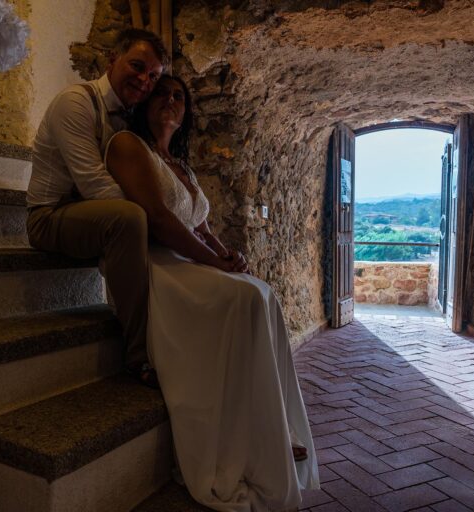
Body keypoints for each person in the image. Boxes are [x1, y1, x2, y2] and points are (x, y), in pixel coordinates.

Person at [105, 75, 319, 511]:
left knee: (261, 291)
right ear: (145, 105)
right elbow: (161, 220)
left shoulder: (180, 164)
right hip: (157, 264)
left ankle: (272, 426)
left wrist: (229, 256)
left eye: (179, 97)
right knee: (241, 299)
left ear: (185, 114)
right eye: (162, 93)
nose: (170, 100)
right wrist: (213, 263)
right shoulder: (129, 146)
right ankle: (248, 437)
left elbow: (200, 225)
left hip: (188, 260)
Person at [25, 29, 169, 387]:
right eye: (137, 66)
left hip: (90, 214)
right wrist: (159, 223)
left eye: (153, 76)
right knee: (130, 218)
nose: (144, 80)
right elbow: (94, 185)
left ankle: (170, 332)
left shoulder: (132, 115)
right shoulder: (75, 102)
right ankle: (137, 353)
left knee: (140, 220)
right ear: (111, 60)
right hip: (50, 216)